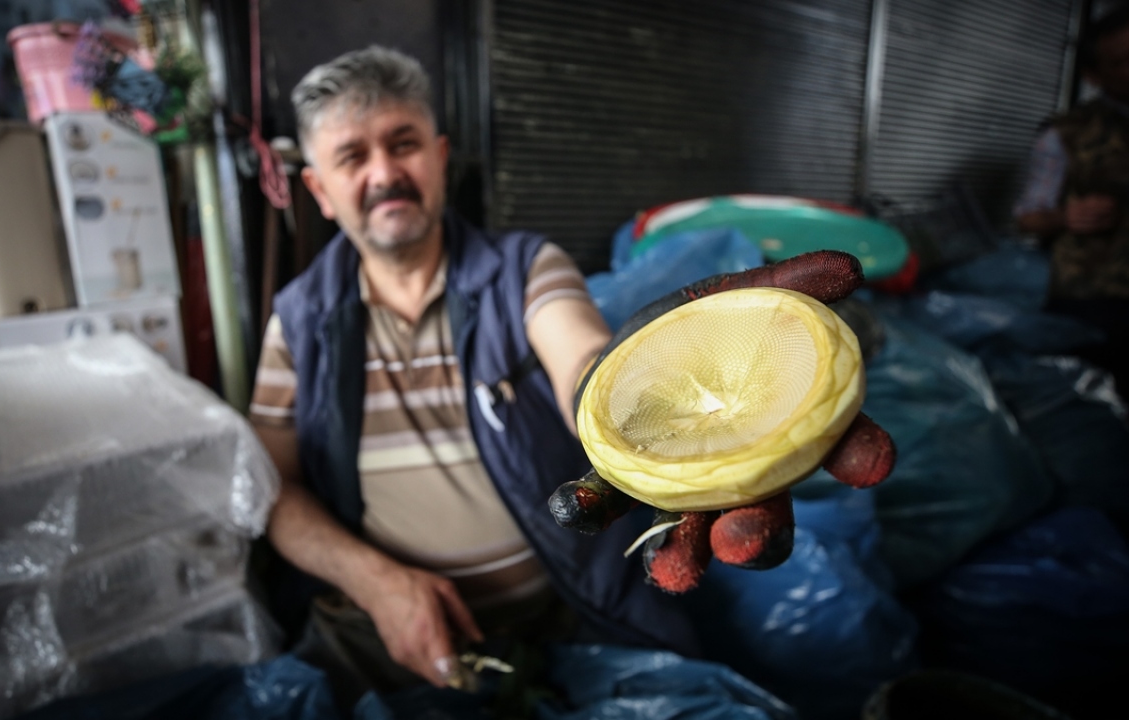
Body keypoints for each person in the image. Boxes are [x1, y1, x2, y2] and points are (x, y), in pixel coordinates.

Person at [247, 45, 891, 707]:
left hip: (566, 624)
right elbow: (274, 490)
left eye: (403, 143)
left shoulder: (524, 270)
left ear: (439, 158)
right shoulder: (296, 323)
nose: (385, 172)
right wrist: (375, 580)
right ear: (319, 191)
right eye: (353, 156)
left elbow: (582, 361)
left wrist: (643, 392)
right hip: (392, 642)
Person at [1014, 6, 1129, 392]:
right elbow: (1026, 217)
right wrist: (1065, 217)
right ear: (1095, 75)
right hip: (1094, 299)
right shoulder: (1067, 134)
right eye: (1121, 61)